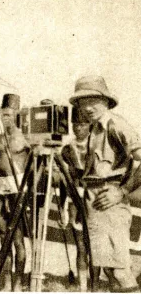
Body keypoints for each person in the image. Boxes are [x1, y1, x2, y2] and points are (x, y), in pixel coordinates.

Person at [69, 75, 141, 292]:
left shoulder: (115, 124)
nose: (88, 107)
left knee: (119, 270)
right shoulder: (94, 129)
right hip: (95, 202)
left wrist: (122, 191)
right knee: (109, 269)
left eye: (93, 100)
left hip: (110, 204)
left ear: (106, 101)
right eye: (83, 101)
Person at [0, 93, 30, 292]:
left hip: (17, 192)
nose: (6, 118)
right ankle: (6, 282)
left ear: (17, 115)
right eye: (3, 115)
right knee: (3, 239)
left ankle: (18, 283)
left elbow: (36, 167)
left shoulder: (26, 139)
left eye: (9, 115)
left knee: (18, 239)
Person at [61, 106, 90, 291]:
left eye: (82, 124)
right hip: (74, 200)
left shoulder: (96, 145)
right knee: (80, 245)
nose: (78, 128)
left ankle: (94, 283)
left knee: (94, 244)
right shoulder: (67, 150)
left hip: (93, 200)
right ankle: (82, 286)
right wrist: (63, 207)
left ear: (89, 125)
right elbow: (65, 181)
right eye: (75, 124)